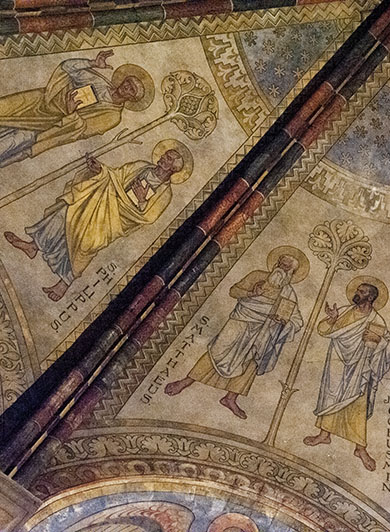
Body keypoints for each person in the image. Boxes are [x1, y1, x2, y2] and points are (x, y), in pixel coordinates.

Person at [5, 140, 189, 301]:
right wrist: (101, 169)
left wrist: (141, 200)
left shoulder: (165, 194)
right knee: (67, 210)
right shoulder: (142, 166)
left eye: (167, 158)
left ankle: (64, 283)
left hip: (118, 219)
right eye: (164, 155)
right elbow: (117, 175)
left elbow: (148, 217)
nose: (162, 158)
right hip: (104, 198)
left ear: (173, 169)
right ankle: (33, 246)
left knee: (88, 243)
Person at [163, 247, 308, 420]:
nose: (282, 268)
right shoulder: (257, 276)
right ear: (275, 263)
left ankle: (230, 398)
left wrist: (284, 322)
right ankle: (186, 381)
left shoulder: (288, 292)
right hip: (240, 320)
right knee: (217, 351)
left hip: (264, 331)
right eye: (281, 264)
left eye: (287, 267)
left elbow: (296, 319)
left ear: (292, 273)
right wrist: (251, 293)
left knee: (251, 362)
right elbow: (233, 291)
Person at [303, 276, 390, 471]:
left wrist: (379, 342)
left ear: (370, 297)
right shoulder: (345, 311)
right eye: (357, 290)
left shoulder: (376, 320)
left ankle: (360, 448)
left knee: (357, 405)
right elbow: (323, 330)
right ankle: (324, 435)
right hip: (337, 362)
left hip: (361, 367)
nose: (357, 294)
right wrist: (332, 319)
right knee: (331, 397)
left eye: (362, 292)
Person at [0, 50, 152, 167]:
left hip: (50, 125)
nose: (127, 87)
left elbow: (83, 130)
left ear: (132, 99)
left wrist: (71, 112)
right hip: (41, 103)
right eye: (128, 82)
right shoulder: (100, 82)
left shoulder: (113, 116)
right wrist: (92, 63)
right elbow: (67, 67)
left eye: (132, 90)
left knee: (13, 140)